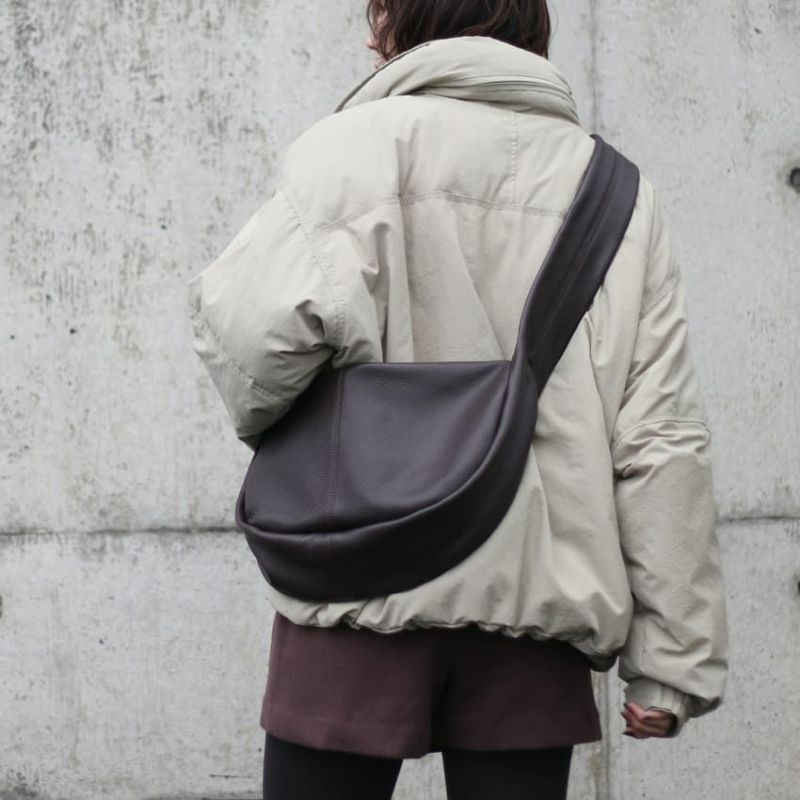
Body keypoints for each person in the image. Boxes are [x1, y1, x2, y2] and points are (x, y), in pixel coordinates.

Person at [187, 1, 729, 798]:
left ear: (407, 21)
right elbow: (659, 433)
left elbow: (252, 348)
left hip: (358, 570)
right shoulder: (615, 191)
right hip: (537, 601)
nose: (368, 36)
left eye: (378, 14)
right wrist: (672, 660)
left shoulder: (349, 153)